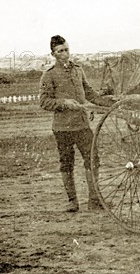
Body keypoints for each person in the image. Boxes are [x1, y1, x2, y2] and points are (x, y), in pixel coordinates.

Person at [39, 35, 113, 212]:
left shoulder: (78, 70)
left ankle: (94, 201)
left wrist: (107, 103)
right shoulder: (49, 75)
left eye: (66, 49)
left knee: (92, 159)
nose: (65, 54)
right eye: (60, 51)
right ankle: (72, 201)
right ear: (53, 54)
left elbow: (90, 93)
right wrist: (64, 103)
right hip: (62, 128)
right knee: (66, 162)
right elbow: (44, 102)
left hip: (82, 125)